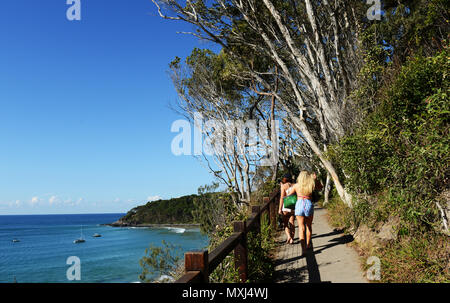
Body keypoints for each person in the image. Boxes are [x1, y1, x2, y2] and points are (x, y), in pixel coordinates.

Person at [290, 171, 317, 255]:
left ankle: (303, 250)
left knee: (301, 228)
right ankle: (308, 245)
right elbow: (320, 187)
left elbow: (289, 194)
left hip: (299, 204)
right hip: (308, 203)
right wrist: (315, 179)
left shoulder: (296, 186)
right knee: (309, 226)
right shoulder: (311, 184)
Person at [278, 173, 295, 244]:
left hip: (286, 205)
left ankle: (288, 237)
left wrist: (279, 209)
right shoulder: (294, 185)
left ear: (284, 179)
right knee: (292, 223)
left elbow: (282, 197)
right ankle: (292, 238)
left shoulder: (284, 186)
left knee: (285, 224)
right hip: (293, 204)